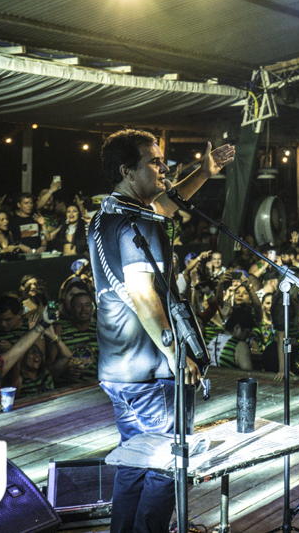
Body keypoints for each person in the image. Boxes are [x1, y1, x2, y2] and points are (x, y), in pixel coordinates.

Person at [90, 128, 233, 533]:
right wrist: (176, 353)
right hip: (151, 369)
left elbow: (166, 204)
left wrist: (203, 172)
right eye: (154, 162)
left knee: (135, 460)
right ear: (127, 171)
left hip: (120, 368)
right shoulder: (140, 222)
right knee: (168, 462)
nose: (164, 168)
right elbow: (142, 294)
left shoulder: (110, 214)